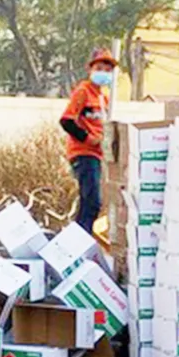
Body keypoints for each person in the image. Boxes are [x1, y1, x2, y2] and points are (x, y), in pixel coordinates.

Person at [60, 48, 116, 234]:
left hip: (97, 154)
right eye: (99, 68)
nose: (104, 73)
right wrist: (87, 138)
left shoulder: (104, 98)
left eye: (107, 70)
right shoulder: (83, 91)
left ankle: (78, 238)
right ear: (90, 69)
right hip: (83, 153)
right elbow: (66, 121)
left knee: (89, 202)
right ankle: (80, 238)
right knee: (92, 202)